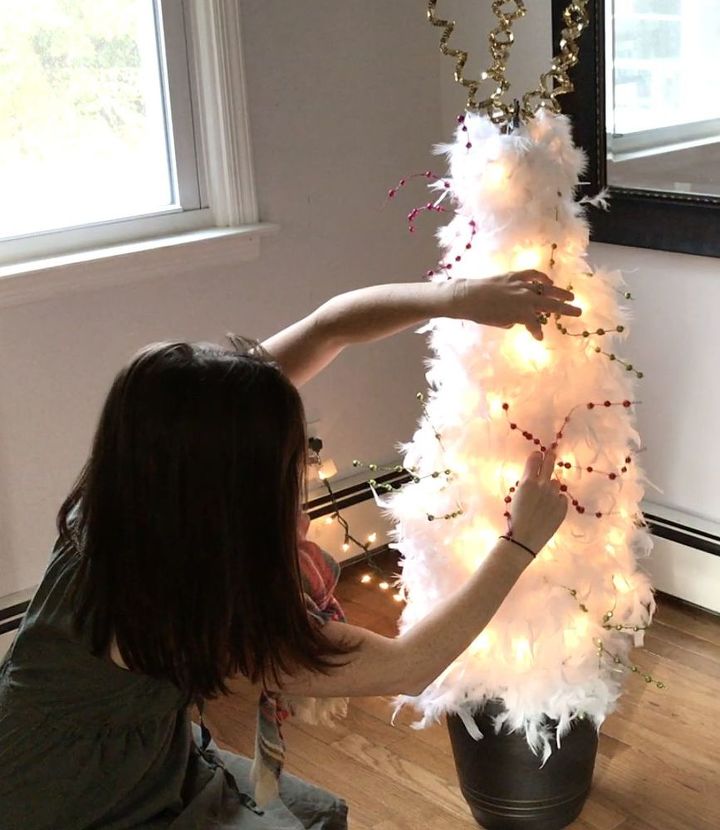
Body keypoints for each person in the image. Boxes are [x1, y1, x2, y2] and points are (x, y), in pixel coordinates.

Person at [0, 271, 579, 829]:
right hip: (68, 799)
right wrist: (520, 541)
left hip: (90, 745)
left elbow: (331, 327)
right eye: (293, 458)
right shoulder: (193, 618)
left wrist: (458, 298)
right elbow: (410, 665)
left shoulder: (129, 496)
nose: (303, 465)